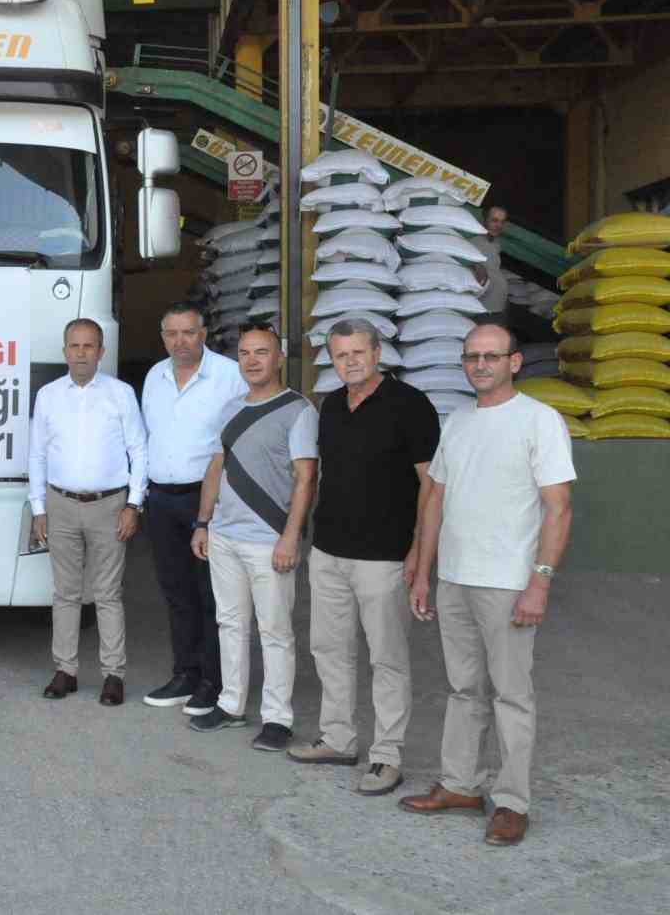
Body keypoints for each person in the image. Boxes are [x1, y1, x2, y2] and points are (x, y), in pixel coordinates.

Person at [399, 323, 575, 846]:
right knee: (463, 689)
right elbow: (435, 501)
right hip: (455, 577)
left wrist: (539, 582)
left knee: (511, 695)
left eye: (492, 356)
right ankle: (461, 785)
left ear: (514, 362)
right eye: (472, 356)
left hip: (507, 582)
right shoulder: (457, 422)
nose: (480, 364)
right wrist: (425, 571)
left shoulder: (540, 421)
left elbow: (559, 508)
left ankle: (512, 801)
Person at [289, 318, 439, 797]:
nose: (349, 362)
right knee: (329, 650)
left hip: (384, 557)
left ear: (377, 352)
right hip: (330, 551)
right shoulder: (330, 406)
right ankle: (338, 738)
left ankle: (386, 756)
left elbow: (431, 486)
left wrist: (419, 550)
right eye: (340, 355)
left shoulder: (411, 406)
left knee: (387, 659)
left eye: (358, 352)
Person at [188, 326, 316, 752]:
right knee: (231, 623)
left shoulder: (299, 409)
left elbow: (305, 477)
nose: (252, 361)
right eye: (244, 353)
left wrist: (290, 538)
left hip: (269, 540)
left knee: (276, 631)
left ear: (279, 357)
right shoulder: (229, 409)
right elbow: (217, 467)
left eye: (262, 352)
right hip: (224, 536)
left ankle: (277, 719)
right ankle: (231, 704)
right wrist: (203, 522)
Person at [28, 319, 146, 706]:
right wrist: (38, 507)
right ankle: (66, 670)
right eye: (75, 346)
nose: (81, 353)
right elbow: (38, 454)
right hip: (60, 504)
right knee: (65, 593)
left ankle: (114, 674)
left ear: (102, 352)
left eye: (89, 346)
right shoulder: (48, 395)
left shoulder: (121, 394)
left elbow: (139, 451)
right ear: (64, 351)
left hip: (109, 504)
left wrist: (134, 504)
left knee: (108, 593)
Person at [139, 301, 249, 716]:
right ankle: (184, 673)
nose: (180, 341)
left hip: (208, 500)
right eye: (171, 333)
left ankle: (213, 682)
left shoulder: (229, 376)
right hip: (163, 499)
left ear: (203, 334)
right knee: (176, 592)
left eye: (188, 332)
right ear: (163, 336)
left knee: (212, 594)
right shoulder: (154, 376)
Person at [471, 206, 509, 325]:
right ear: (484, 220)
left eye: (502, 222)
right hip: (484, 310)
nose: (499, 225)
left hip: (497, 307)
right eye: (494, 220)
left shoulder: (496, 244)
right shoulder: (473, 242)